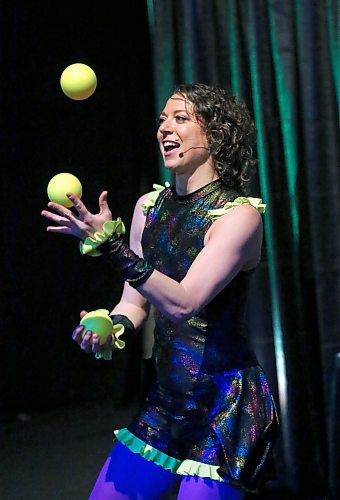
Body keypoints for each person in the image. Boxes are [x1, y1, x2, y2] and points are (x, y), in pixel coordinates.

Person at [42, 83, 278, 499]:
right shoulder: (148, 208)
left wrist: (111, 246)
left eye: (180, 119)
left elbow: (183, 302)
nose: (165, 128)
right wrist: (110, 329)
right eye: (162, 120)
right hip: (166, 404)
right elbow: (135, 304)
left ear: (216, 134)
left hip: (223, 407)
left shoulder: (239, 217)